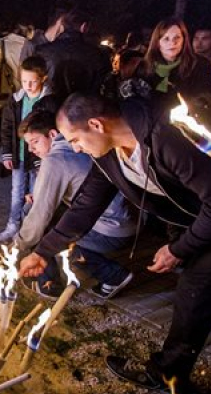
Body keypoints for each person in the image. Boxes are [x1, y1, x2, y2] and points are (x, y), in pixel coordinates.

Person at [18, 93, 211, 394]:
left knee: (196, 289)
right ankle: (169, 371)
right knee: (197, 293)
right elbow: (85, 206)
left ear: (96, 124)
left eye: (75, 139)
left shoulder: (165, 137)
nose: (75, 149)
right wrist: (42, 251)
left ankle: (168, 374)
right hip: (192, 217)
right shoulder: (108, 153)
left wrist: (179, 249)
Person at [14, 109, 134, 300]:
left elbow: (39, 216)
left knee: (43, 230)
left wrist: (17, 247)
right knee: (41, 219)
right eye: (28, 144)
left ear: (52, 134)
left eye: (35, 141)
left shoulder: (55, 160)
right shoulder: (76, 142)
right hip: (124, 218)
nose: (30, 149)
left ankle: (111, 276)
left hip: (112, 228)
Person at [0, 56, 53, 241]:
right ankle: (12, 225)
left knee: (35, 195)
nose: (27, 85)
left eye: (32, 81)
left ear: (43, 78)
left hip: (38, 158)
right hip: (18, 155)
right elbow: (6, 127)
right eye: (24, 80)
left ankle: (30, 231)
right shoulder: (16, 99)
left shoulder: (49, 101)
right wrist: (6, 153)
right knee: (17, 192)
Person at [129, 18, 211, 109]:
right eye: (166, 39)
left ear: (184, 39)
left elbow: (204, 100)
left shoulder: (199, 65)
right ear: (157, 42)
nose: (172, 43)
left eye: (177, 37)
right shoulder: (144, 67)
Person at [35, 9, 111, 101]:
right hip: (83, 108)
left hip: (49, 107)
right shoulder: (97, 55)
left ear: (62, 25)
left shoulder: (42, 51)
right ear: (84, 27)